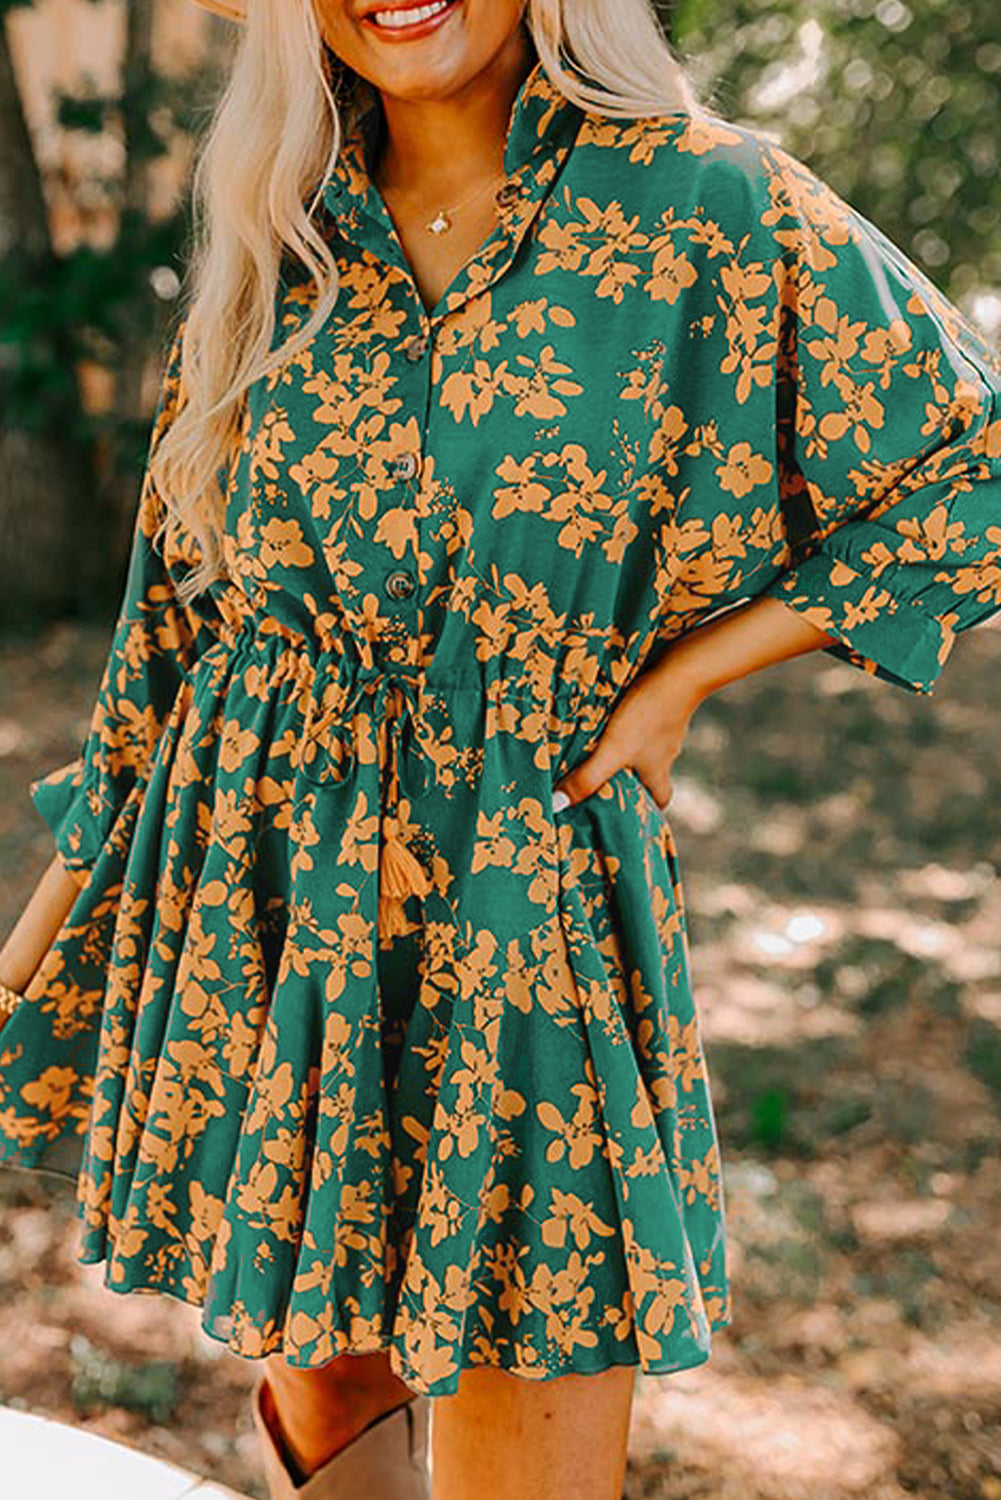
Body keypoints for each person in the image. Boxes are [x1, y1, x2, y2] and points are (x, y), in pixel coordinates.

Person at [2, 1, 1000, 1497]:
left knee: (523, 1375)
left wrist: (678, 684)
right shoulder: (283, 226)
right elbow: (169, 634)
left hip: (523, 903)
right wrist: (31, 954)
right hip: (279, 911)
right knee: (326, 1388)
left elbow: (966, 472)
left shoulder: (700, 204)